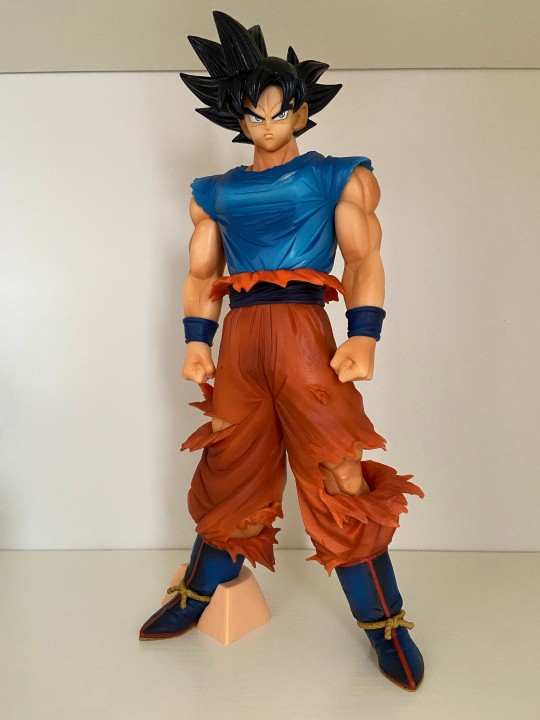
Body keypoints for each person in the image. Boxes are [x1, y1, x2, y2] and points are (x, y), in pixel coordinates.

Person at [139, 11, 424, 691]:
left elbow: (364, 257)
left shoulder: (336, 176)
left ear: (300, 112)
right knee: (229, 467)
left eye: (278, 111)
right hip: (241, 340)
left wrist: (364, 333)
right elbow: (201, 276)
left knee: (340, 472)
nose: (266, 124)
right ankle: (197, 593)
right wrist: (197, 343)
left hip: (305, 337)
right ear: (237, 119)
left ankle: (384, 621)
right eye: (253, 114)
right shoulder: (216, 192)